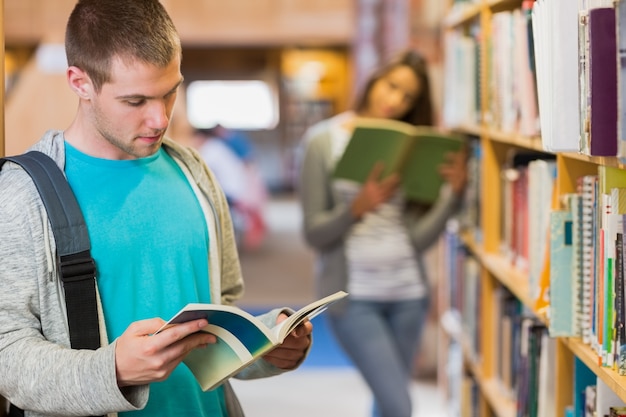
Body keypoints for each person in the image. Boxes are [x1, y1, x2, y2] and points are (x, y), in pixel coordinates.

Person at [0, 1, 312, 416]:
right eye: (135, 101)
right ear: (80, 83)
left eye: (170, 93)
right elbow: (7, 353)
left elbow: (219, 309)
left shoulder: (193, 170)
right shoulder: (23, 192)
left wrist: (267, 346)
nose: (159, 119)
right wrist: (112, 370)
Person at [297, 49, 468, 417]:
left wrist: (450, 198)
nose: (395, 100)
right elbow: (313, 234)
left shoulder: (409, 146)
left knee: (388, 400)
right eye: (392, 86)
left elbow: (416, 241)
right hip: (354, 299)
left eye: (408, 97)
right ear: (374, 80)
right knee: (399, 403)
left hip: (409, 295)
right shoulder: (322, 141)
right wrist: (355, 208)